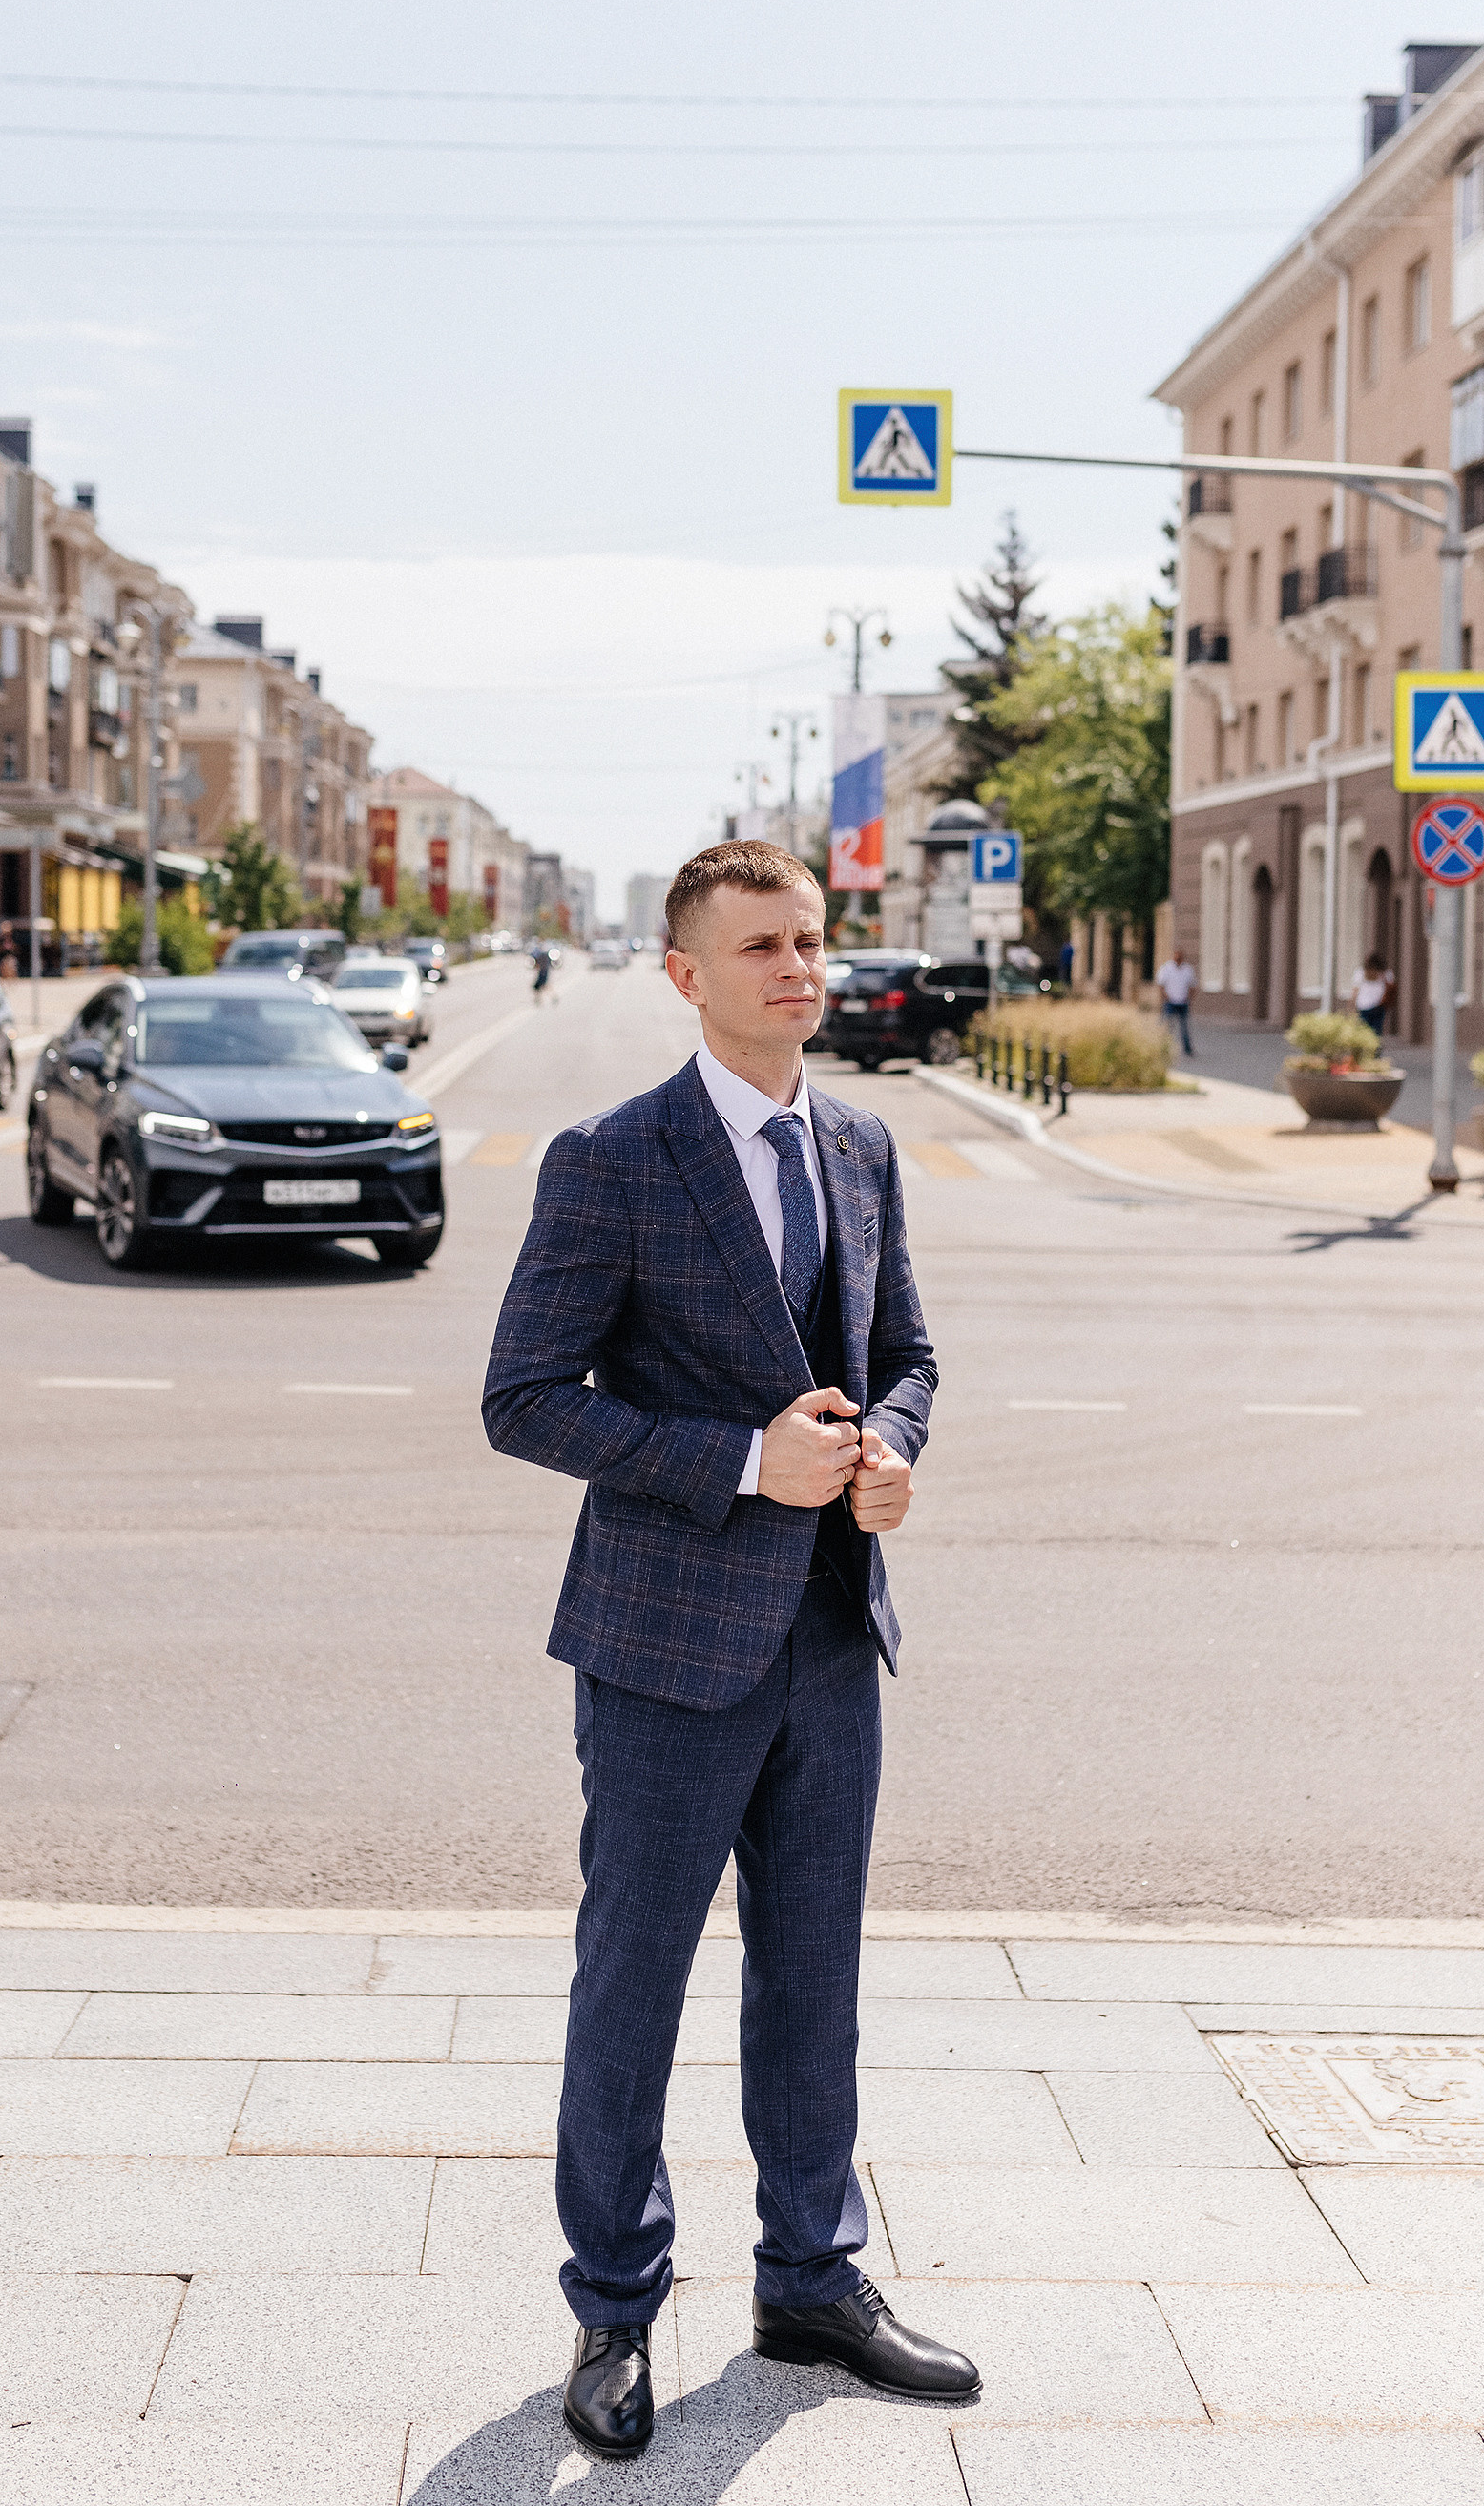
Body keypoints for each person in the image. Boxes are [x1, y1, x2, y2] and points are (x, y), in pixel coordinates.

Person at [483, 838, 977, 2462]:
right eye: (761, 945)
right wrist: (738, 1462)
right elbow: (527, 1399)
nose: (799, 968)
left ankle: (811, 2282)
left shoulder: (864, 1143)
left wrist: (892, 1454)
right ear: (685, 975)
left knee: (813, 1974)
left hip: (833, 1632)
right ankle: (614, 2307)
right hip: (663, 1644)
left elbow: (902, 1355)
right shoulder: (612, 1159)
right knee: (634, 1980)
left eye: (813, 939)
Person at [1156, 946, 1198, 1056]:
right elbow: (1160, 984)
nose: (1178, 958)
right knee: (1168, 1025)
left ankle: (1187, 1048)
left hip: (1183, 1002)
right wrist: (1165, 997)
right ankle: (1164, 1048)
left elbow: (1193, 985)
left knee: (1184, 1027)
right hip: (1170, 1002)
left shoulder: (1188, 969)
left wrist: (1189, 998)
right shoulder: (1166, 968)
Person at [1350, 951, 1394, 1038]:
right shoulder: (1386, 973)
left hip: (1363, 1005)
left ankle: (1366, 1048)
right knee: (1376, 1031)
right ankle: (1374, 1049)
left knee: (1363, 1030)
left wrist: (1352, 1005)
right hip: (1379, 1004)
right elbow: (1391, 987)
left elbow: (1356, 990)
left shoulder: (1361, 972)